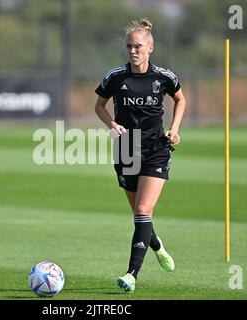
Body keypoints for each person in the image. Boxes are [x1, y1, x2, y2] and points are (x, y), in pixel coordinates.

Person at [94, 18, 186, 292]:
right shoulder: (115, 77)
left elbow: (181, 99)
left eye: (138, 46)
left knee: (144, 210)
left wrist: (175, 129)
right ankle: (156, 245)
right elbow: (99, 105)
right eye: (129, 46)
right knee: (139, 214)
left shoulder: (164, 77)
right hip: (126, 150)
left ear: (150, 48)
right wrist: (111, 123)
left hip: (156, 150)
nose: (133, 51)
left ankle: (131, 274)